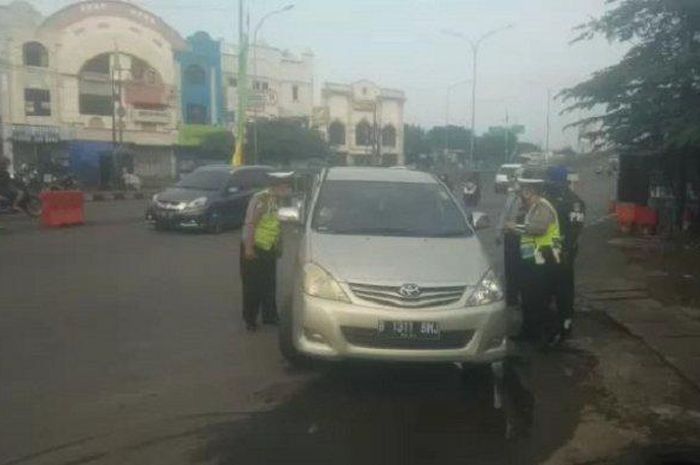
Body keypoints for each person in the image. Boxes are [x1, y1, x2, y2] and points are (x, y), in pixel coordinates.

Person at [506, 178, 563, 345]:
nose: (522, 197)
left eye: (524, 192)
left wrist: (514, 227)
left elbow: (538, 229)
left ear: (530, 192)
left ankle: (551, 333)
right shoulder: (533, 208)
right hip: (534, 260)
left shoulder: (543, 206)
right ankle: (529, 332)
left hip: (545, 259)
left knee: (539, 299)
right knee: (529, 298)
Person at [239, 172, 292, 332]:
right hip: (254, 247)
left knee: (269, 284)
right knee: (253, 286)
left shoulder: (278, 200)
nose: (289, 190)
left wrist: (279, 246)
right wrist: (248, 248)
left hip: (269, 248)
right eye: (286, 186)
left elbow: (277, 225)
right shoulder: (262, 199)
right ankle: (250, 319)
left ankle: (270, 316)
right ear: (277, 187)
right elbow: (250, 224)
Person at [542, 166, 586, 339]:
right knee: (545, 288)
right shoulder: (547, 198)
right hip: (545, 251)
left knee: (564, 290)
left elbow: (575, 229)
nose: (548, 183)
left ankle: (565, 323)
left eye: (551, 179)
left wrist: (565, 251)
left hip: (563, 253)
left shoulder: (573, 202)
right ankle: (547, 324)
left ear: (560, 181)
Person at [497, 174, 523, 308]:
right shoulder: (511, 197)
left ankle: (521, 296)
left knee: (522, 269)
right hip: (510, 237)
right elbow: (504, 215)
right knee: (510, 269)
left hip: (523, 237)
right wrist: (499, 233)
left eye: (517, 181)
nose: (514, 184)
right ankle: (512, 298)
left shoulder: (528, 199)